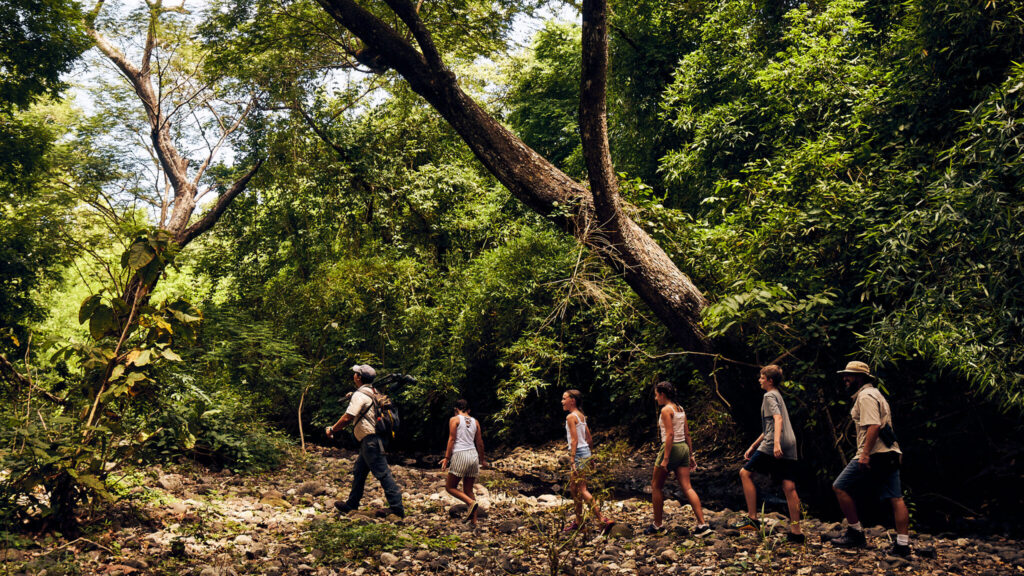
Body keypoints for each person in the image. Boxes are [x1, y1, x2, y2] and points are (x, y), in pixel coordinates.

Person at [831, 361, 911, 556]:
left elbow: (873, 426)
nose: (845, 378)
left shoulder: (865, 396)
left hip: (875, 453)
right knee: (896, 498)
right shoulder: (876, 393)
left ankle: (855, 533)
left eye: (849, 375)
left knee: (840, 486)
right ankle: (902, 545)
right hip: (890, 452)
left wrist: (865, 454)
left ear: (860, 377)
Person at [733, 365, 804, 543]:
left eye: (762, 377)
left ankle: (752, 519)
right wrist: (753, 445)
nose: (759, 380)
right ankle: (797, 532)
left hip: (776, 441)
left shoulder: (769, 395)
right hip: (790, 441)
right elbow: (770, 426)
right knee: (789, 486)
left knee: (745, 473)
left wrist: (776, 444)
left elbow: (777, 420)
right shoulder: (778, 395)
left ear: (770, 381)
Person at [326, 364, 405, 518]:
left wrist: (332, 429)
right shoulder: (373, 391)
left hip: (371, 441)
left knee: (383, 474)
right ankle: (352, 504)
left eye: (355, 373)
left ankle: (397, 508)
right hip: (374, 440)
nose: (354, 375)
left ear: (359, 377)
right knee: (359, 472)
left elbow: (348, 417)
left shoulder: (360, 395)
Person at [643, 381, 713, 537]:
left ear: (662, 394)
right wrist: (691, 455)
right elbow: (687, 434)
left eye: (656, 395)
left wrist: (665, 459)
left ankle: (658, 525)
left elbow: (669, 435)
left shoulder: (666, 410)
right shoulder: (680, 409)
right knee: (688, 487)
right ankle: (702, 525)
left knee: (656, 486)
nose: (656, 398)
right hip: (683, 448)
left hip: (671, 448)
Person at [561, 389, 614, 533]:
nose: (562, 401)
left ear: (572, 400)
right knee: (574, 488)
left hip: (578, 453)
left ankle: (602, 519)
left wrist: (572, 460)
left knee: (581, 489)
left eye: (564, 398)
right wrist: (590, 456)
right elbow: (589, 439)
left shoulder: (571, 417)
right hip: (584, 452)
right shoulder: (581, 416)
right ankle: (579, 522)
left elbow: (574, 440)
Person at [440, 399, 487, 525]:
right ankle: (474, 521)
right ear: (469, 410)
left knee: (450, 487)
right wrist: (482, 459)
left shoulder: (454, 419)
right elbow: (479, 442)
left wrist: (447, 458)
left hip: (460, 454)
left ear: (456, 409)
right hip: (473, 456)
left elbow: (452, 439)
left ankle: (471, 503)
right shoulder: (475, 422)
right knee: (468, 489)